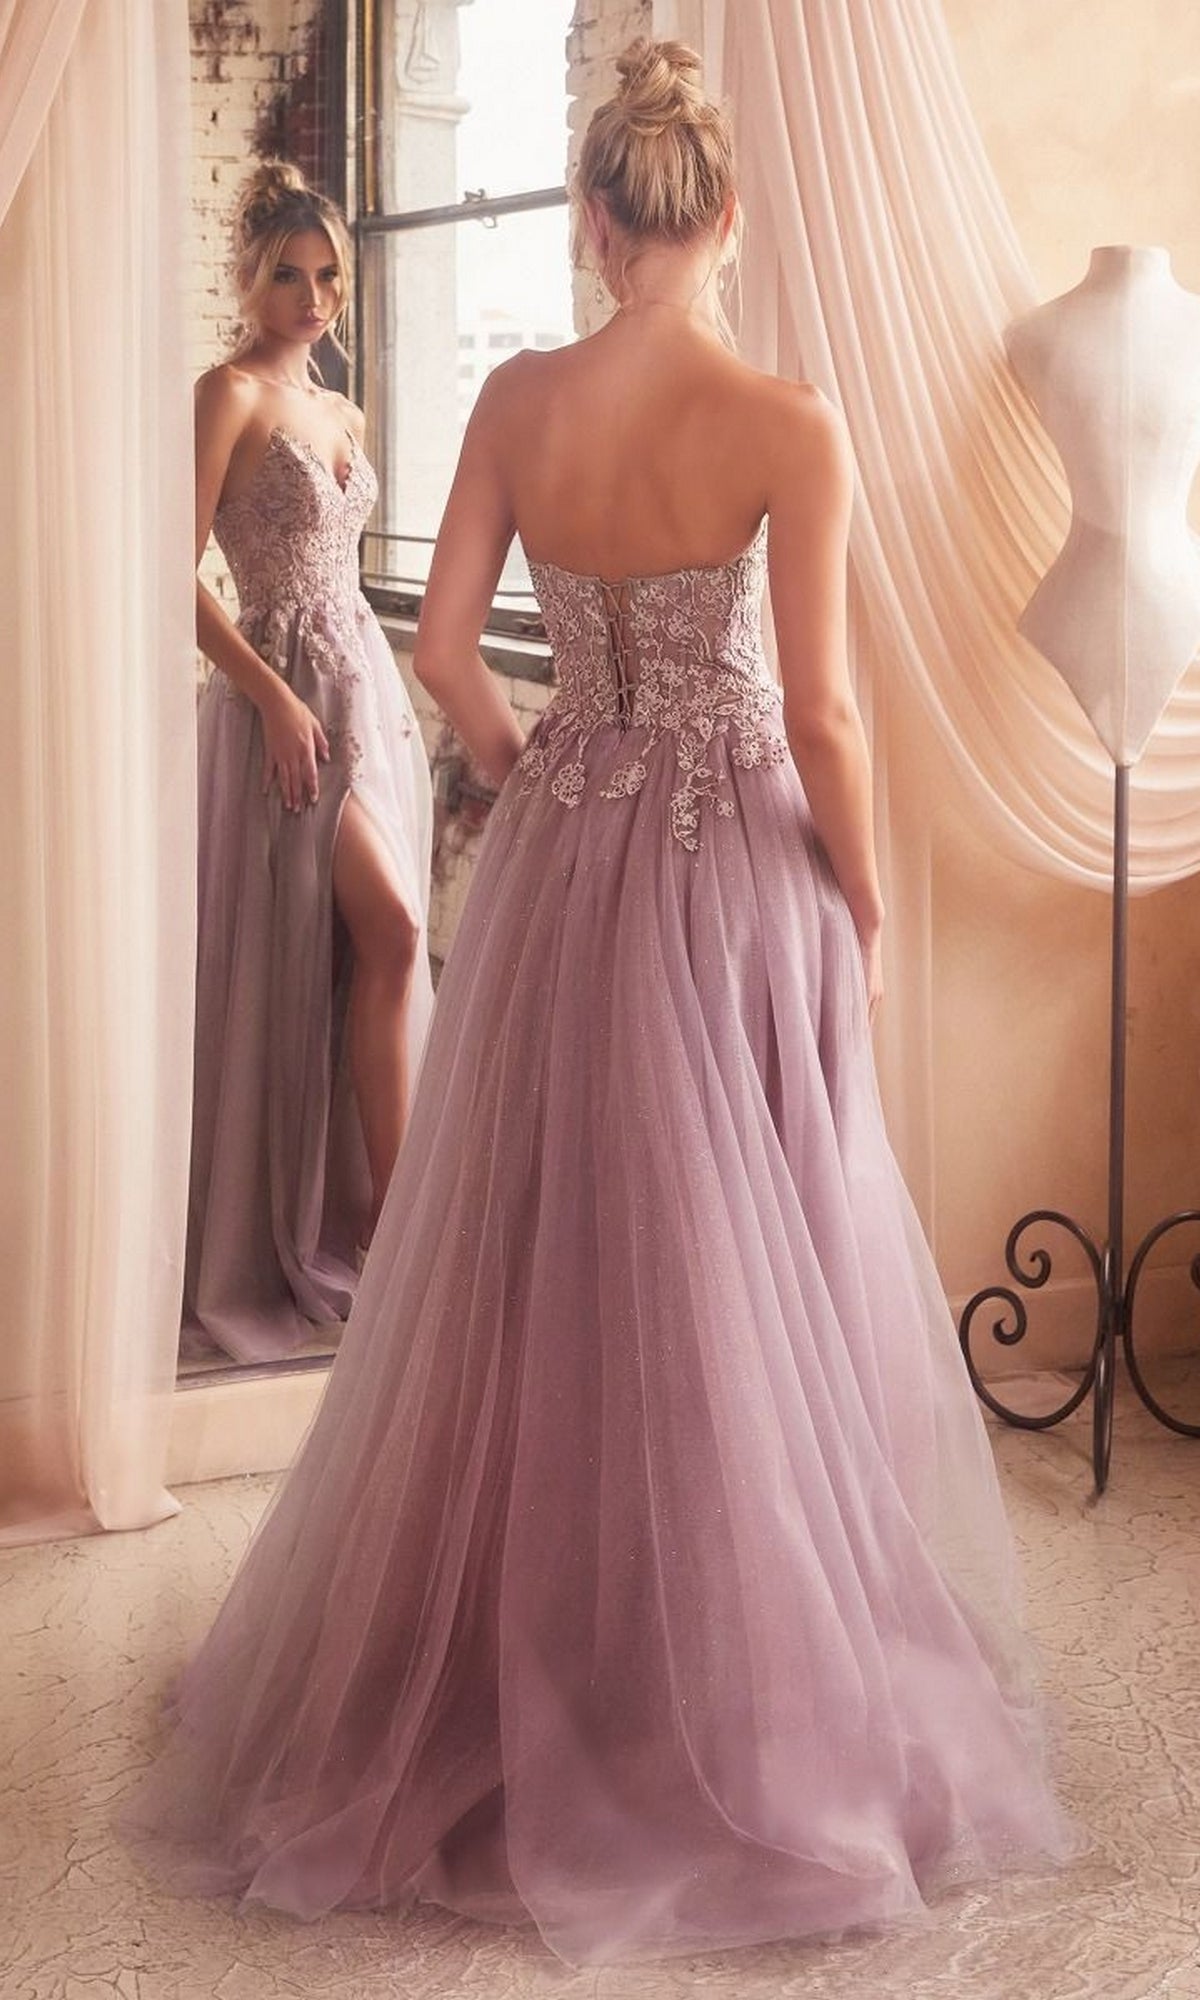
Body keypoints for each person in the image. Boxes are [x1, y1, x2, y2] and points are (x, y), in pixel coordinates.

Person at [129, 45, 1072, 1963]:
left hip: (571, 858)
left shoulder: (516, 398)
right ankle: (722, 1671)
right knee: (745, 1255)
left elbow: (458, 655)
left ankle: (544, 1645)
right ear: (722, 215)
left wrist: (539, 764)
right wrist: (865, 891)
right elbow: (816, 711)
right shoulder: (786, 418)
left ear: (589, 216)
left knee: (550, 1253)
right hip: (740, 870)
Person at [183, 162, 433, 1364]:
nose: (314, 295)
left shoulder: (345, 414)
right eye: (290, 274)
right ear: (251, 276)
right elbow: (167, 575)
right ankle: (386, 1227)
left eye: (330, 274)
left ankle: (394, 1231)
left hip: (365, 694)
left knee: (379, 948)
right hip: (279, 705)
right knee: (382, 929)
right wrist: (274, 694)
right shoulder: (224, 395)